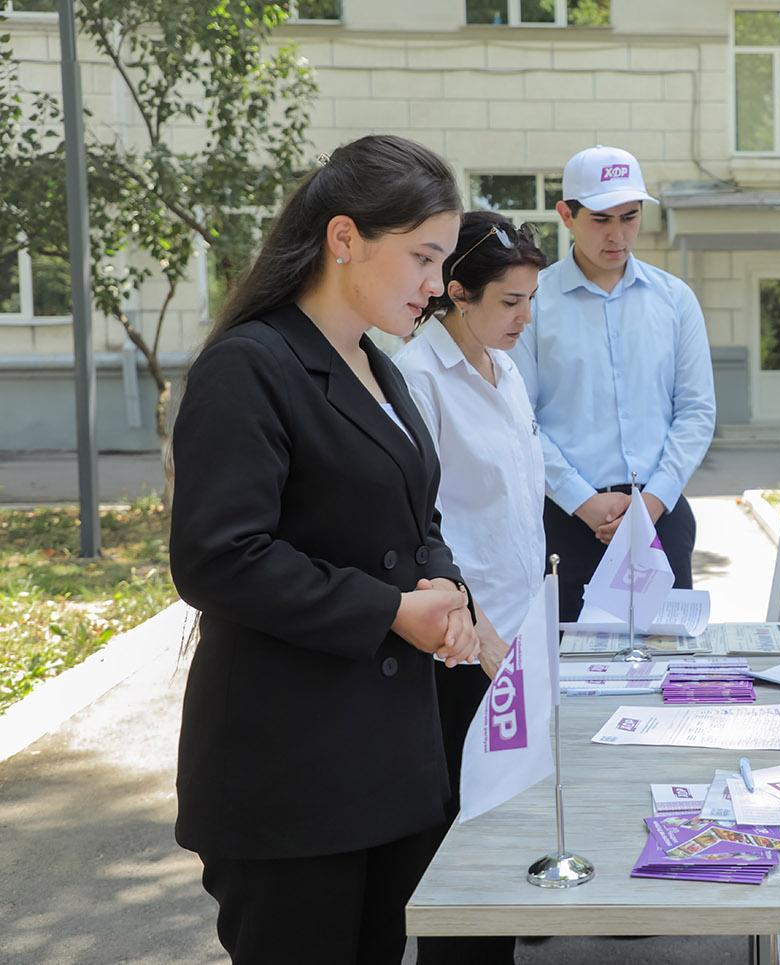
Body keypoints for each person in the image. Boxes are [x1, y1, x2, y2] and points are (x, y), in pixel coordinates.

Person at [169, 134, 488, 964]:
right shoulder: (250, 365)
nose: (436, 285)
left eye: (444, 260)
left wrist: (446, 594)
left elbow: (416, 516)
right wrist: (392, 610)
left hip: (387, 763)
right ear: (344, 239)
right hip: (289, 774)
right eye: (422, 256)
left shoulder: (376, 365)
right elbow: (219, 555)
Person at [394, 211, 550, 964]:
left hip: (519, 642)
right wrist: (480, 629)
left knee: (506, 841)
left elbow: (518, 509)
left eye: (530, 300)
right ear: (455, 290)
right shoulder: (418, 378)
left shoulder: (507, 367)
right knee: (462, 851)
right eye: (509, 301)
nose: (524, 317)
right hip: (461, 651)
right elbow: (420, 522)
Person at [509, 144, 715, 623]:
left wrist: (652, 502)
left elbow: (697, 411)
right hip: (566, 519)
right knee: (566, 670)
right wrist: (583, 502)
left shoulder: (675, 300)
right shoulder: (533, 304)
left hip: (660, 516)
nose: (618, 235)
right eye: (601, 219)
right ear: (567, 215)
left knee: (663, 665)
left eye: (630, 217)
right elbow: (520, 418)